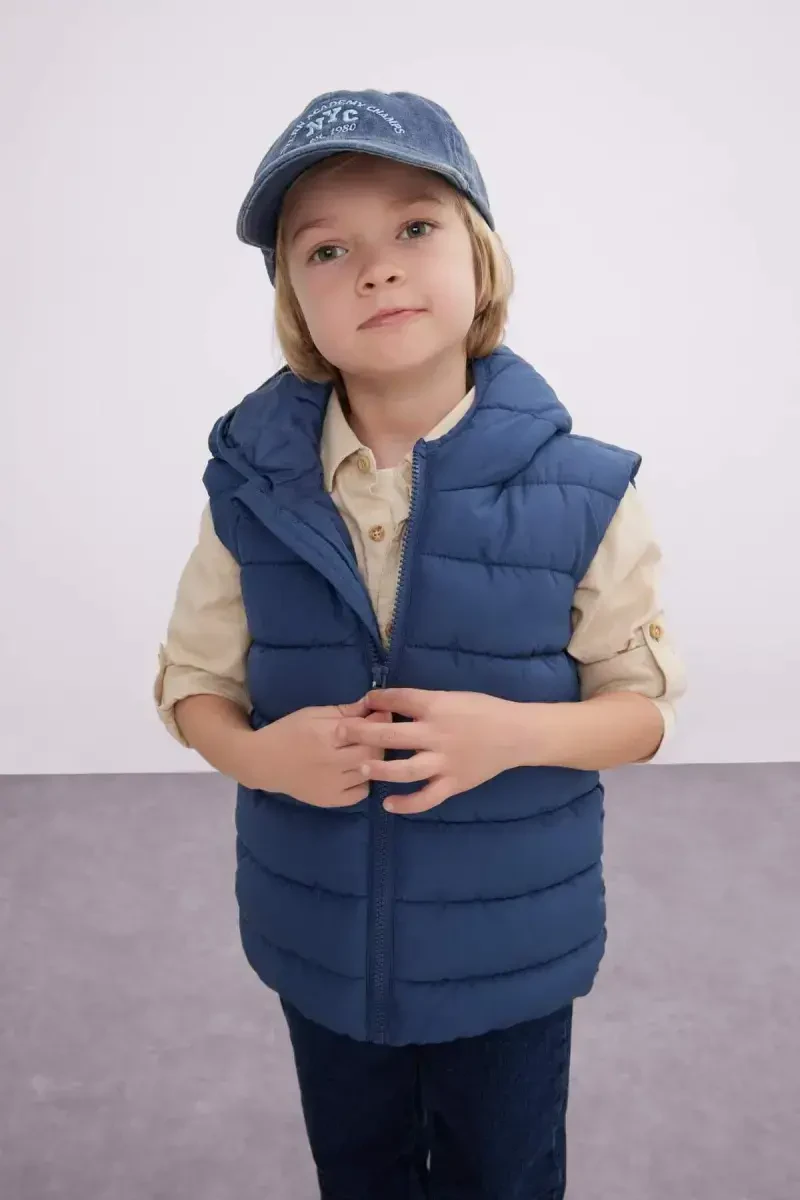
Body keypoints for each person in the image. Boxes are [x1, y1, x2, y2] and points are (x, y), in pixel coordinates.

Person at [154, 89, 687, 1200]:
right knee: (358, 1171)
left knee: (505, 1173)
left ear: (479, 261)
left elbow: (640, 711)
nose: (376, 269)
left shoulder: (586, 492)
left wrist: (512, 735)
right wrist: (257, 756)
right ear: (294, 302)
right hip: (317, 939)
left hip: (511, 952)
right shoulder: (249, 494)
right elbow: (195, 681)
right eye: (327, 249)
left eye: (413, 226)